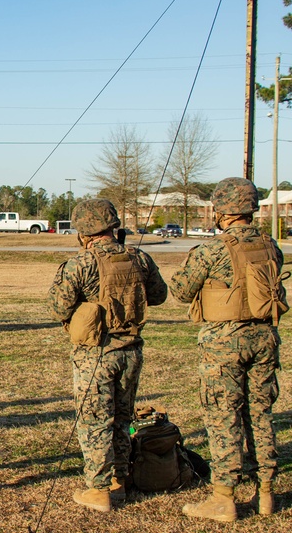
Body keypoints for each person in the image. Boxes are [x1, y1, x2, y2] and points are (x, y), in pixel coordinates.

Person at [170, 177, 287, 522]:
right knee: (260, 414)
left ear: (222, 210)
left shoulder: (213, 248)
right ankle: (265, 493)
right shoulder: (270, 244)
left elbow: (180, 290)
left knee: (223, 416)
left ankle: (223, 497)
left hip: (225, 342)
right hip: (265, 338)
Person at [47, 198, 167, 512]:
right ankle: (119, 481)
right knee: (123, 419)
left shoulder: (80, 263)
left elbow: (58, 306)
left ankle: (98, 490)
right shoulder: (138, 257)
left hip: (95, 354)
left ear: (83, 230)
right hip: (131, 351)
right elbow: (159, 295)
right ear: (112, 225)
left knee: (94, 422)